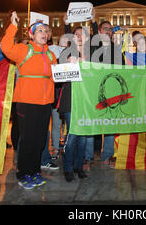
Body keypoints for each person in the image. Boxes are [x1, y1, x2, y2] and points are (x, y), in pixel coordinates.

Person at [1, 12, 57, 189]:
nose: (44, 33)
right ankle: (23, 173)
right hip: (26, 101)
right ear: (32, 35)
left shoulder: (50, 55)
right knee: (27, 139)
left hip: (45, 102)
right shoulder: (23, 49)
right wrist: (13, 26)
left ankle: (34, 172)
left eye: (46, 31)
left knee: (40, 139)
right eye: (40, 30)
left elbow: (56, 76)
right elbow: (5, 47)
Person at [86, 20, 124, 169]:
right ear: (100, 31)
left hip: (111, 91)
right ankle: (87, 157)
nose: (108, 31)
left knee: (110, 125)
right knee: (91, 125)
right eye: (105, 29)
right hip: (93, 91)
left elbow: (121, 69)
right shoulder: (92, 46)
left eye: (110, 30)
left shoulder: (116, 49)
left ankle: (106, 156)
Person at [57, 26, 89, 181]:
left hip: (86, 99)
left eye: (82, 34)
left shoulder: (92, 54)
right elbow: (59, 72)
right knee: (72, 133)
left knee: (83, 136)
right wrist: (70, 62)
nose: (79, 36)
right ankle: (68, 167)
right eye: (76, 34)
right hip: (71, 98)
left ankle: (79, 166)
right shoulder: (67, 52)